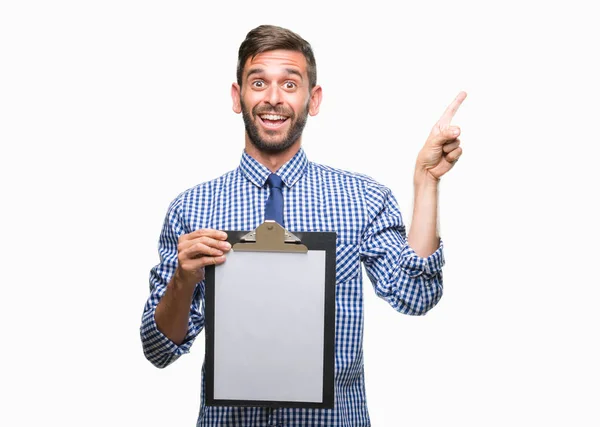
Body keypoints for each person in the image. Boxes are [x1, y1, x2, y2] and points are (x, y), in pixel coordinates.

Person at [140, 24, 466, 427]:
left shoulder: (363, 200)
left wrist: (426, 182)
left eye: (289, 84)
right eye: (258, 82)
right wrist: (182, 281)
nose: (273, 98)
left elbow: (415, 295)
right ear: (236, 96)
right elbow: (158, 350)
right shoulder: (192, 209)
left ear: (313, 100)